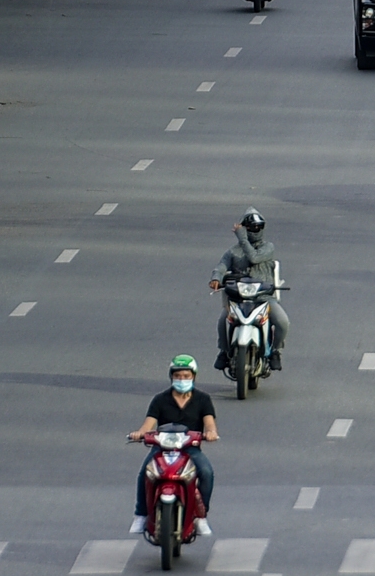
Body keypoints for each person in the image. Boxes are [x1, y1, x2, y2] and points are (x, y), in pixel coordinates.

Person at [129, 355, 220, 537]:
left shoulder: (203, 399)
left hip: (189, 448)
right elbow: (149, 424)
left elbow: (209, 423)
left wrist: (210, 433)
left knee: (206, 472)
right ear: (171, 377)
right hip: (161, 447)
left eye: (186, 376)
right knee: (145, 473)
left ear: (193, 377)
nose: (182, 380)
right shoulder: (160, 399)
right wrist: (140, 433)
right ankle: (140, 514)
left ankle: (200, 516)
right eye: (178, 376)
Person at [207, 208, 288, 369]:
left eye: (258, 227)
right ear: (244, 227)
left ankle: (275, 351)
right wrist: (216, 278)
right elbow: (222, 266)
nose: (255, 231)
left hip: (263, 298)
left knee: (283, 322)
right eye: (251, 227)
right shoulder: (233, 251)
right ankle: (224, 351)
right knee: (223, 320)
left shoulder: (268, 247)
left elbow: (254, 257)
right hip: (238, 298)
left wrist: (242, 238)